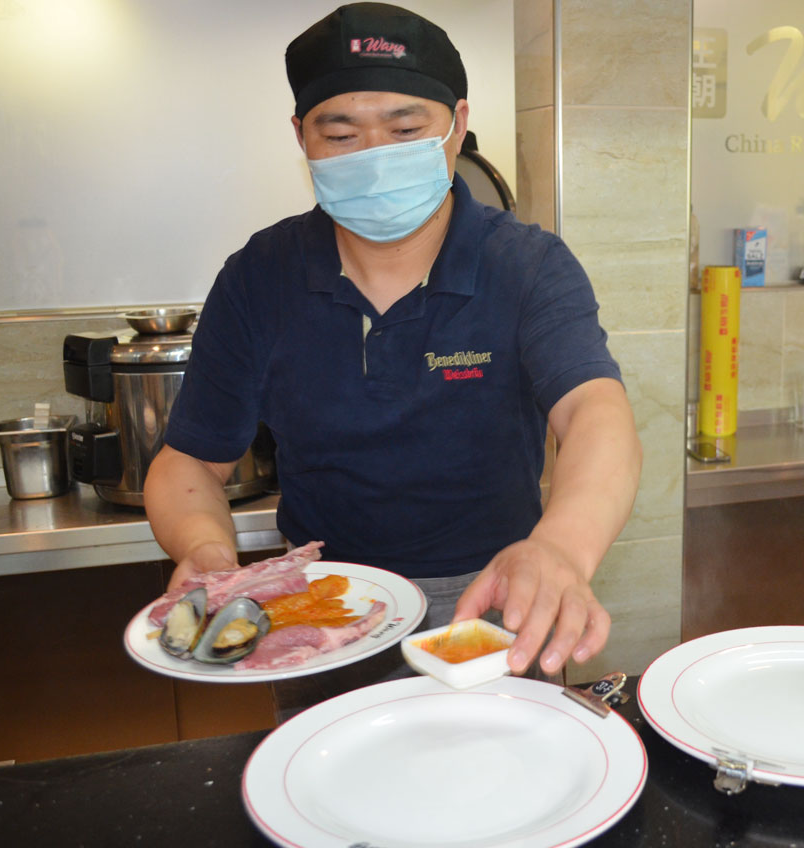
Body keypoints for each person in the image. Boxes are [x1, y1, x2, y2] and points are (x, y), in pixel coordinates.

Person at [143, 2, 641, 684]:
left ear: (457, 126)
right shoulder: (261, 275)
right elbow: (191, 461)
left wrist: (560, 548)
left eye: (406, 130)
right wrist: (205, 548)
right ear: (301, 136)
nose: (375, 159)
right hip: (325, 606)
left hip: (494, 599)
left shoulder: (526, 266)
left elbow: (595, 413)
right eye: (341, 134)